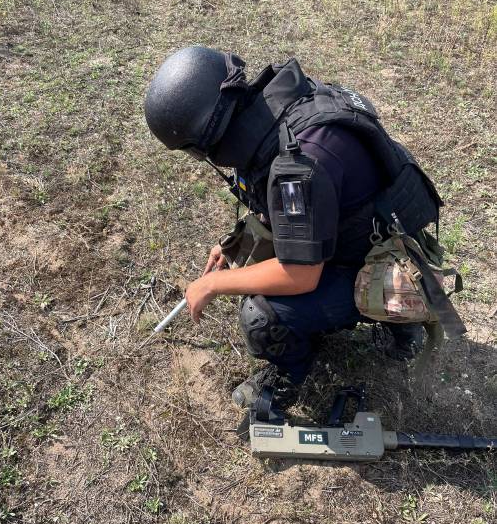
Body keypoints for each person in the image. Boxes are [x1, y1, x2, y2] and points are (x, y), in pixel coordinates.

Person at [144, 46, 443, 410]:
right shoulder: (278, 111)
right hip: (372, 228)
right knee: (254, 258)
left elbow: (300, 275)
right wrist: (236, 243)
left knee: (260, 316)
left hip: (389, 258)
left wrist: (210, 284)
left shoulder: (297, 166)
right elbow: (296, 203)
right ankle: (389, 313)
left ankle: (303, 364)